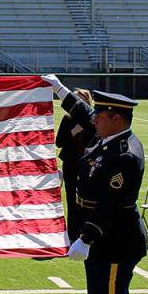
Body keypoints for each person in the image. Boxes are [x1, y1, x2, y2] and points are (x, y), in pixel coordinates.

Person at [43, 75, 146, 294]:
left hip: (114, 242)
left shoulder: (124, 154)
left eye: (101, 117)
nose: (95, 120)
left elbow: (111, 206)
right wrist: (60, 89)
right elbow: (83, 112)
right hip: (102, 242)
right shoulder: (108, 137)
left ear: (117, 119)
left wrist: (86, 237)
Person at [55, 89, 97, 238]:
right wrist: (72, 132)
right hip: (71, 163)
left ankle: (87, 231)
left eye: (79, 101)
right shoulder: (67, 119)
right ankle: (72, 232)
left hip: (88, 165)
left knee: (87, 199)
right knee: (71, 198)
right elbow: (58, 142)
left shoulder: (94, 121)